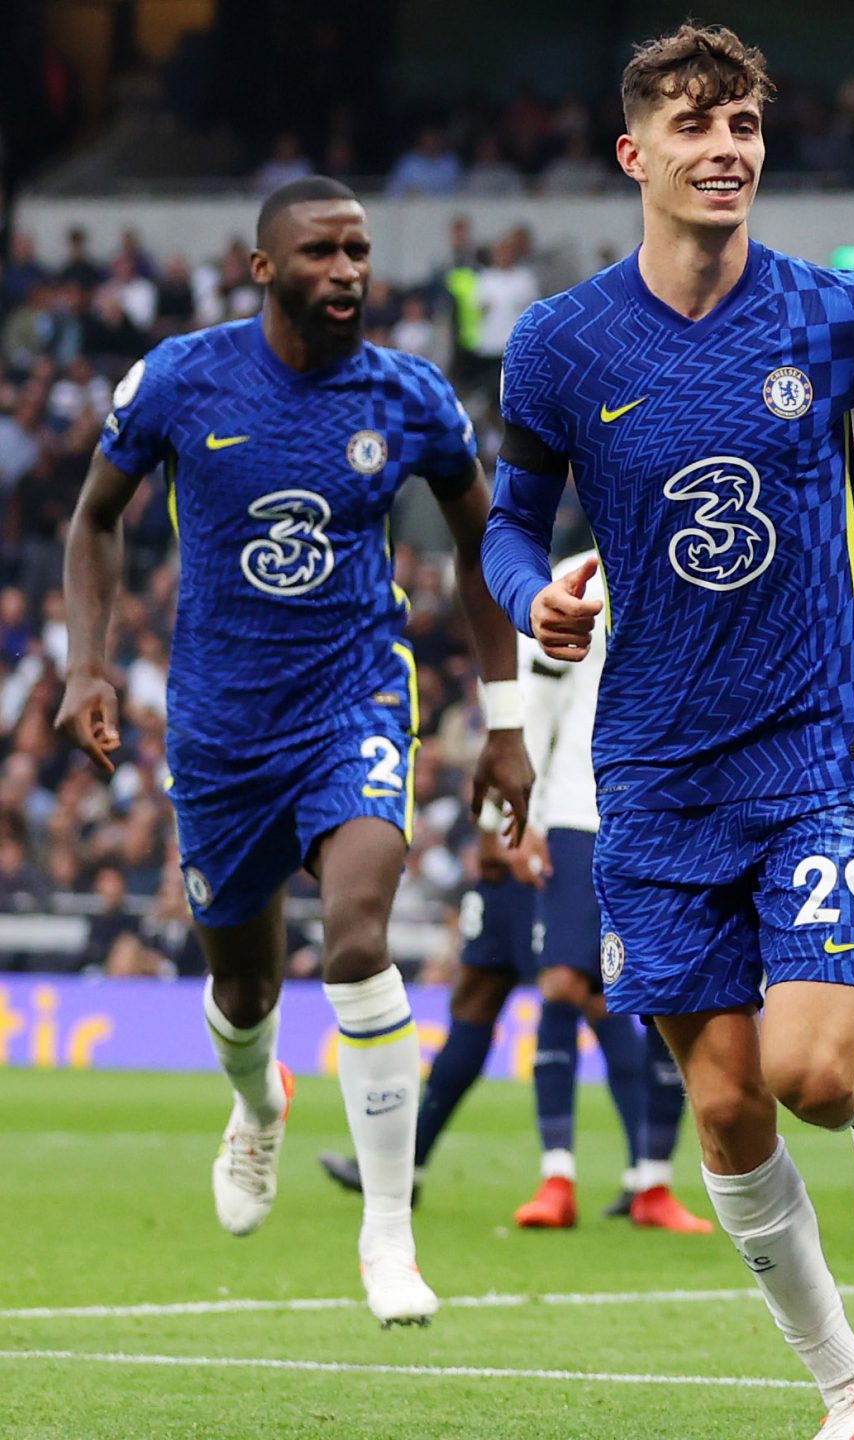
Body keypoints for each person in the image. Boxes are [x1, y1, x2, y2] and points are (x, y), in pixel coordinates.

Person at [481, 27, 854, 1440]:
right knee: (725, 1109)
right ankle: (850, 1386)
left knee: (806, 1073)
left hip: (815, 744)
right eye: (695, 126)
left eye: (744, 124)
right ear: (634, 153)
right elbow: (510, 524)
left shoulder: (834, 312)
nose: (725, 149)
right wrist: (531, 599)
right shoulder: (561, 343)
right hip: (650, 769)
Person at [53, 175, 534, 1327]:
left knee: (359, 942)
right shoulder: (181, 380)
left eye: (358, 250)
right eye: (321, 252)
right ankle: (259, 1105)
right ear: (263, 268)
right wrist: (87, 666)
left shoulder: (408, 396)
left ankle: (388, 1235)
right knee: (242, 987)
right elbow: (93, 519)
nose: (347, 270)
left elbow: (484, 544)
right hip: (220, 729)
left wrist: (509, 719)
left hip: (352, 702)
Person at [315, 549, 712, 1234]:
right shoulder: (578, 577)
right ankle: (416, 1165)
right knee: (500, 987)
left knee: (593, 990)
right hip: (557, 817)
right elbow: (529, 710)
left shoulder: (706, 559)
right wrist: (505, 824)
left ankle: (641, 1177)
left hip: (639, 814)